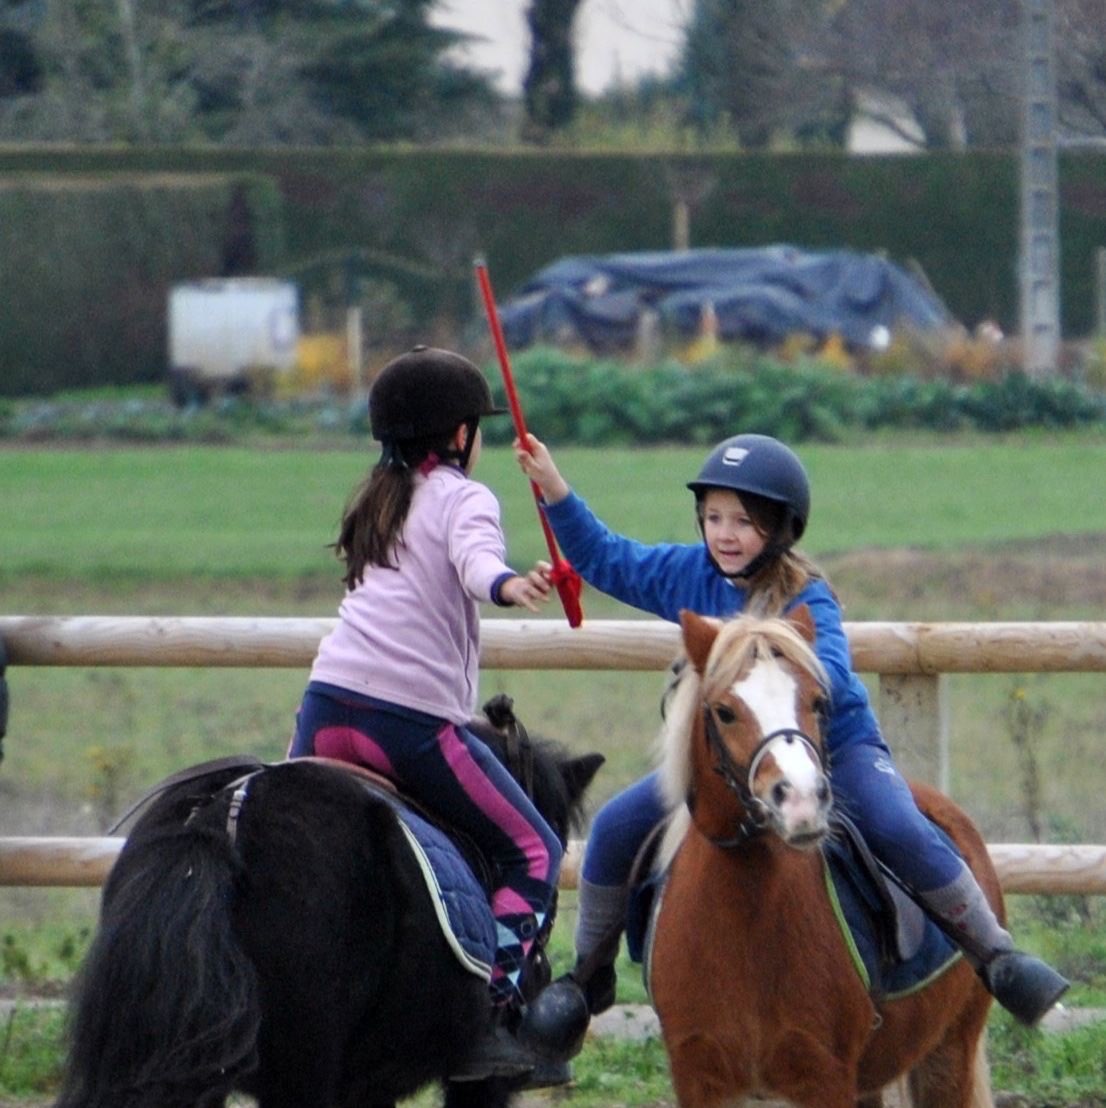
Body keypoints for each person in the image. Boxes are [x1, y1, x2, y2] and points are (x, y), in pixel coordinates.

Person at [515, 430, 1069, 1029]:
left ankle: (996, 955)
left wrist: (763, 672)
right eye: (714, 517)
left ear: (780, 528)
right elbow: (604, 557)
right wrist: (553, 487)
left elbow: (826, 666)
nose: (725, 534)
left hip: (830, 748)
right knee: (617, 827)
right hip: (730, 758)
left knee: (898, 824)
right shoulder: (687, 572)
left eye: (744, 521)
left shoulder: (808, 595)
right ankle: (585, 975)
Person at [289, 345, 561, 1080]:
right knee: (536, 853)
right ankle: (488, 1013)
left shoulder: (378, 496)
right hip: (404, 724)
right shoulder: (465, 496)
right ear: (461, 435)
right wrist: (509, 586)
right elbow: (477, 564)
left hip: (324, 707)